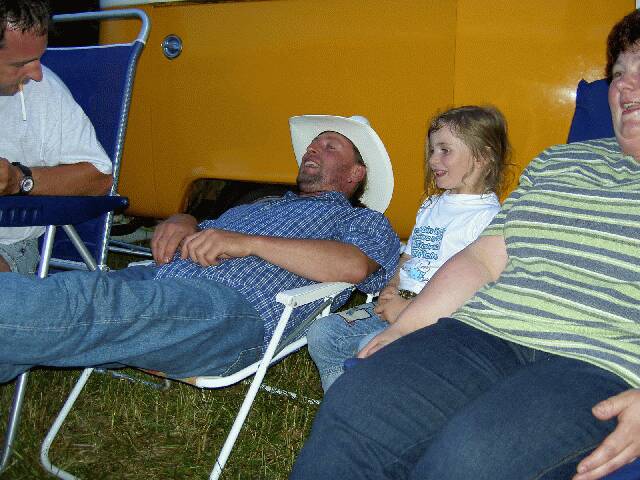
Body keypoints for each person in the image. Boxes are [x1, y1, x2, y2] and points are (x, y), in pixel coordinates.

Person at [290, 10, 640, 480]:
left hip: (599, 360)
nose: (624, 86)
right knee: (359, 403)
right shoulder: (559, 163)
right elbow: (482, 259)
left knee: (471, 457)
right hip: (485, 331)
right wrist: (406, 327)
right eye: (618, 73)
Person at [0, 114, 400, 385]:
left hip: (234, 312)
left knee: (87, 302)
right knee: (70, 306)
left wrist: (248, 244)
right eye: (312, 144)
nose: (312, 149)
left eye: (329, 146)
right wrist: (182, 220)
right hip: (163, 280)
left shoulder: (362, 220)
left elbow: (351, 266)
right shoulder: (265, 204)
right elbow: (208, 229)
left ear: (356, 172)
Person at [306, 106, 509, 391]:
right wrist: (392, 288)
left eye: (445, 150)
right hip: (399, 302)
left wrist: (407, 310)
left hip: (440, 319)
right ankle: (341, 396)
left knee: (371, 348)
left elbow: (473, 291)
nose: (433, 159)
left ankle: (367, 400)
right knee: (324, 333)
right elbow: (409, 256)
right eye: (432, 150)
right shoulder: (432, 206)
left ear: (482, 157)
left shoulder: (488, 218)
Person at [0, 0, 113, 274]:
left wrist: (20, 179)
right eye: (21, 63)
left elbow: (99, 178)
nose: (36, 73)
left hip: (7, 244)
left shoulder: (44, 91)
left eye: (39, 57)